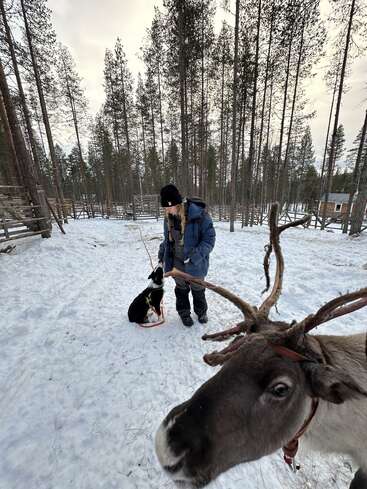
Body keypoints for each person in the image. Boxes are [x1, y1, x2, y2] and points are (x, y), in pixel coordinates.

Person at [158, 184, 216, 327]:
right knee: (181, 290)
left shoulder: (200, 216)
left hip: (195, 263)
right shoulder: (169, 219)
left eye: (169, 206)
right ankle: (184, 313)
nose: (167, 210)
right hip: (176, 262)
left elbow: (209, 240)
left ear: (177, 203)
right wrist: (161, 256)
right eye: (165, 207)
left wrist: (196, 256)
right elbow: (167, 240)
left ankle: (201, 312)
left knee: (198, 289)